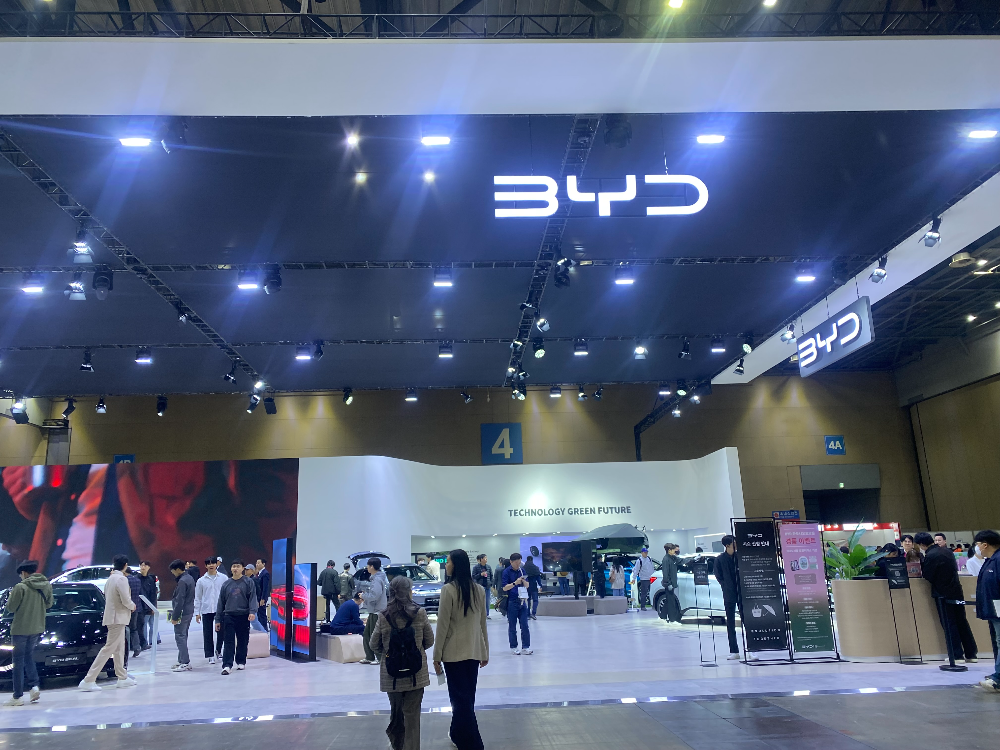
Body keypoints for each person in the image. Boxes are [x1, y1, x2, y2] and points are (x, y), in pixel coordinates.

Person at [433, 550, 489, 750]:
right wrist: (485, 651)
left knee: (460, 700)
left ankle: (473, 744)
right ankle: (457, 733)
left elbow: (443, 626)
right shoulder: (479, 590)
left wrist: (436, 655)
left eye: (448, 562)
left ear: (456, 565)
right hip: (473, 652)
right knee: (467, 698)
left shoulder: (448, 590)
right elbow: (482, 624)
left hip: (452, 654)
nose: (446, 565)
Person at [370, 575, 434, 750]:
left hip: (392, 676)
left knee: (397, 714)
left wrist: (389, 652)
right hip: (416, 674)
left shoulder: (383, 615)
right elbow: (429, 640)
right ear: (408, 592)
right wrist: (415, 650)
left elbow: (373, 644)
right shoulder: (420, 613)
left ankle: (398, 745)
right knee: (412, 717)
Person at [916, 532, 978, 664]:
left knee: (949, 623)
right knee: (961, 621)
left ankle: (956, 655)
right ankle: (971, 653)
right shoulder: (948, 551)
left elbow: (928, 575)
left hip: (942, 593)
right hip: (956, 590)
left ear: (922, 544)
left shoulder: (930, 555)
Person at [80, 554, 136, 691]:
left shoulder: (110, 579)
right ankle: (89, 679)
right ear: (125, 565)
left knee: (119, 648)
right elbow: (125, 599)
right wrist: (132, 606)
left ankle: (122, 677)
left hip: (113, 617)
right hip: (118, 618)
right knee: (109, 648)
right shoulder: (121, 579)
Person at [2, 560, 53, 706]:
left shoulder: (20, 587)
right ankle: (34, 686)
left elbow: (11, 607)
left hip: (20, 629)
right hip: (37, 627)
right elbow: (49, 604)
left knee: (18, 662)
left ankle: (17, 696)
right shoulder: (46, 585)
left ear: (24, 573)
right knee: (29, 658)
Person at [215, 559, 259, 675]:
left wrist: (252, 611)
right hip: (229, 615)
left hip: (243, 615)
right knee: (228, 641)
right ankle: (227, 665)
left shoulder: (248, 582)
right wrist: (218, 619)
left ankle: (241, 661)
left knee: (242, 640)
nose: (235, 568)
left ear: (242, 568)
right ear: (231, 569)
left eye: (238, 566)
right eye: (233, 566)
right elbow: (221, 602)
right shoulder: (226, 584)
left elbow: (252, 597)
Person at [972, 530, 1000, 691]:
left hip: (998, 608)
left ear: (985, 545)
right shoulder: (990, 560)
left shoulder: (998, 560)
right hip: (993, 609)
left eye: (977, 544)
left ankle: (998, 678)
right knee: (997, 641)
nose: (976, 547)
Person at [194, 557, 228, 664]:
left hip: (220, 610)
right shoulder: (201, 581)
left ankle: (218, 650)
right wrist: (197, 613)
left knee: (221, 632)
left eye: (213, 563)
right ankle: (210, 655)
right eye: (208, 564)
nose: (211, 565)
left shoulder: (224, 578)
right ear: (205, 566)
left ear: (217, 564)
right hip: (207, 609)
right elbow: (198, 597)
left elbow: (227, 594)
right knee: (207, 633)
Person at [715, 535, 742, 660]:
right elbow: (718, 576)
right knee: (730, 623)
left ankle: (751, 649)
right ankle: (734, 651)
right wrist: (726, 586)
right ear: (727, 546)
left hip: (741, 592)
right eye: (734, 543)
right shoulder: (720, 559)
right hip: (729, 593)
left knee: (747, 621)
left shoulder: (739, 557)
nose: (736, 545)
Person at [168, 558, 197, 672]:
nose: (172, 573)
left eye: (173, 571)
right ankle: (181, 660)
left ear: (178, 569)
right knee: (183, 635)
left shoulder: (182, 581)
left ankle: (185, 662)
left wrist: (175, 617)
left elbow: (179, 600)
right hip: (189, 611)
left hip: (182, 612)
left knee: (180, 636)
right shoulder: (189, 578)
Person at [501, 552, 531, 655]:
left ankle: (526, 647)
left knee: (525, 625)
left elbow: (527, 585)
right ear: (511, 562)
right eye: (516, 563)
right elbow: (504, 588)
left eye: (519, 562)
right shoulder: (506, 572)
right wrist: (515, 583)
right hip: (512, 601)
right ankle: (513, 647)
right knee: (512, 626)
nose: (518, 565)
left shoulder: (522, 570)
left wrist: (524, 582)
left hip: (522, 601)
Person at [361, 557, 389, 665]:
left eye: (368, 566)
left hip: (377, 612)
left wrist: (364, 596)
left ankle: (379, 657)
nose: (367, 568)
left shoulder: (377, 579)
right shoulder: (376, 578)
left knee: (375, 635)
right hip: (373, 611)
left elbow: (375, 595)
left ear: (372, 566)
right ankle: (370, 657)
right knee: (367, 634)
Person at [137, 561, 158, 650]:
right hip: (140, 605)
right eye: (141, 565)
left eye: (145, 565)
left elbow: (153, 594)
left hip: (149, 605)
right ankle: (143, 643)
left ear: (148, 567)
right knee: (142, 625)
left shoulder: (150, 579)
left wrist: (153, 606)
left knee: (150, 623)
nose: (143, 567)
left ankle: (151, 641)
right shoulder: (137, 578)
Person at [126, 565, 145, 657]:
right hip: (136, 607)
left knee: (126, 629)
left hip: (126, 608)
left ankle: (127, 648)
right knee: (134, 629)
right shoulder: (137, 580)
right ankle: (137, 647)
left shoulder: (125, 581)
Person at [660, 543, 681, 624]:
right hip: (669, 584)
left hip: (672, 583)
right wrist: (668, 584)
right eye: (673, 550)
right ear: (669, 550)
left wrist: (693, 559)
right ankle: (672, 620)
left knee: (668, 600)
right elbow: (665, 573)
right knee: (671, 602)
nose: (675, 551)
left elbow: (681, 561)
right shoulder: (666, 559)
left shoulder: (673, 558)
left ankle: (662, 617)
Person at [472, 554, 493, 619]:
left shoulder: (488, 567)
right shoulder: (476, 567)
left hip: (487, 586)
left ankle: (487, 614)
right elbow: (473, 577)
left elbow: (491, 576)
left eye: (486, 558)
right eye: (484, 558)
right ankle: (480, 614)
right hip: (480, 587)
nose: (486, 559)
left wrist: (491, 583)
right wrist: (480, 575)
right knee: (480, 601)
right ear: (481, 559)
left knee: (487, 601)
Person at [255, 558, 270, 631]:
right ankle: (261, 629)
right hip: (258, 597)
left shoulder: (265, 573)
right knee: (259, 614)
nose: (257, 564)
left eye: (259, 563)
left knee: (262, 614)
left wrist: (263, 598)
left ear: (263, 564)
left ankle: (264, 629)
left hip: (262, 597)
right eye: (256, 563)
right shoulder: (259, 573)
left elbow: (265, 587)